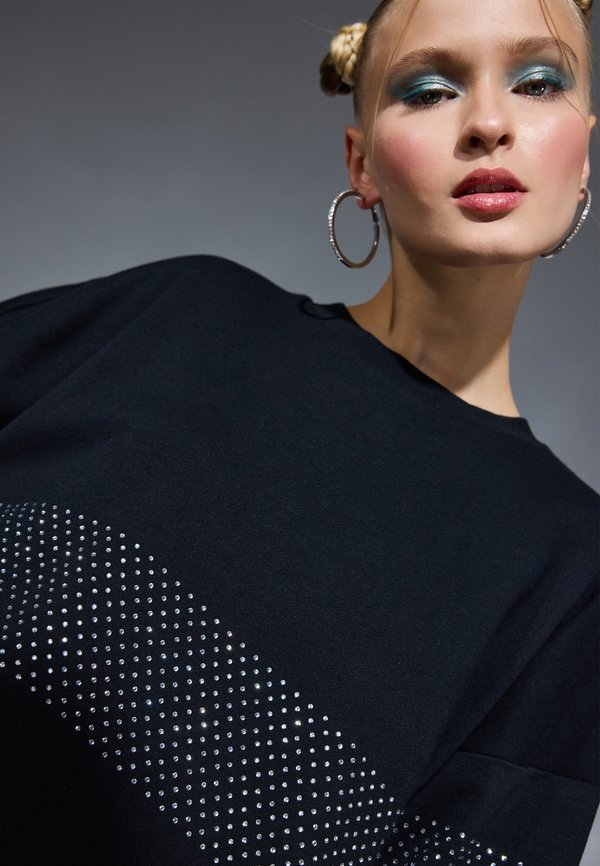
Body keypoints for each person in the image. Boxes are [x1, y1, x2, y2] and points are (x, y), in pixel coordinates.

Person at [0, 0, 597, 864]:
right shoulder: (178, 321)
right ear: (361, 164)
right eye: (429, 90)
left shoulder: (572, 565)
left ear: (585, 154)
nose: (488, 123)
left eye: (537, 83)